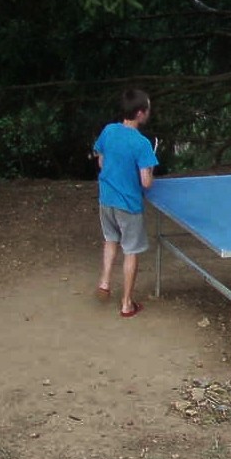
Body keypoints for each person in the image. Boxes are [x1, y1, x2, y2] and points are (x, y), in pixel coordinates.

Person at [93, 89, 159, 317]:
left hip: (106, 199)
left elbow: (101, 162)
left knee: (111, 240)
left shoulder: (109, 131)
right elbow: (146, 182)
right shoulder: (142, 144)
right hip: (128, 205)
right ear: (140, 113)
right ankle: (126, 304)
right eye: (148, 109)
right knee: (131, 251)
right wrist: (149, 169)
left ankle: (104, 282)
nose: (149, 112)